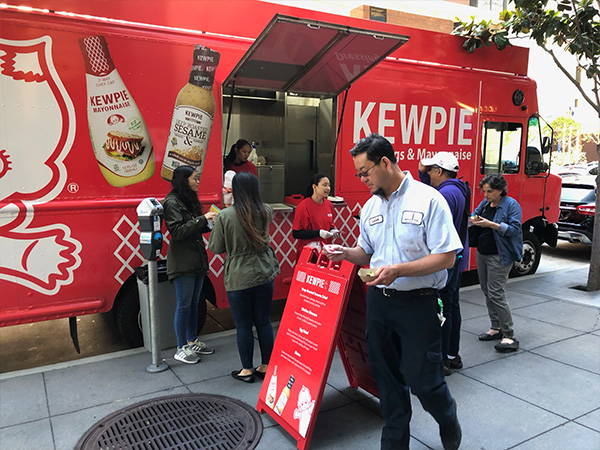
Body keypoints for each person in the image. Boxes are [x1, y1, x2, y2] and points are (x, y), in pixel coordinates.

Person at [324, 134, 463, 450]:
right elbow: (367, 252)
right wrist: (346, 253)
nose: (362, 180)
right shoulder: (371, 206)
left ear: (385, 162)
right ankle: (395, 442)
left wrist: (398, 270)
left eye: (364, 172)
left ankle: (447, 415)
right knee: (387, 382)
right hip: (379, 304)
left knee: (423, 382)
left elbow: (447, 257)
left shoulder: (429, 199)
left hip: (418, 304)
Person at [208, 172, 280, 383]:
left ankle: (247, 370)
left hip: (239, 276)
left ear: (236, 191)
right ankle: (266, 365)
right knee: (264, 322)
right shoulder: (266, 210)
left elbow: (216, 247)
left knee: (243, 325)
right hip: (264, 271)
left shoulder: (225, 216)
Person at [419, 152, 471, 376]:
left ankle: (441, 360)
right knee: (451, 306)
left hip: (446, 262)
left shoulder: (446, 195)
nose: (427, 173)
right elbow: (425, 188)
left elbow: (438, 230)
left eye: (430, 170)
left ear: (439, 171)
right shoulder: (457, 189)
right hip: (457, 258)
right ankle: (452, 355)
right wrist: (422, 170)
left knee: (441, 310)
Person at [163, 165, 217, 364]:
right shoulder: (171, 202)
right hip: (183, 261)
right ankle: (180, 347)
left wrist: (208, 222)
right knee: (184, 304)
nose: (197, 182)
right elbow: (177, 232)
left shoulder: (188, 199)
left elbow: (194, 228)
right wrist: (202, 219)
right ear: (183, 180)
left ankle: (192, 340)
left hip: (197, 259)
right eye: (194, 178)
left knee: (195, 303)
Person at [470, 174, 523, 353]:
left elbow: (515, 230)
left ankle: (508, 334)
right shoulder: (485, 204)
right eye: (484, 191)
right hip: (483, 253)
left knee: (496, 293)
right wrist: (474, 220)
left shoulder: (511, 205)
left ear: (500, 190)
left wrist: (492, 225)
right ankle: (495, 327)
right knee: (487, 291)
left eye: (490, 191)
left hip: (499, 255)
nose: (485, 195)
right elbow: (474, 215)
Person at [292, 174, 339, 257]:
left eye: (329, 185)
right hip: (308, 252)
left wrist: (333, 230)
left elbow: (330, 225)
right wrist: (318, 233)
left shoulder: (329, 205)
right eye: (324, 185)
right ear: (314, 187)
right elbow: (296, 233)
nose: (328, 188)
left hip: (326, 251)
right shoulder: (303, 206)